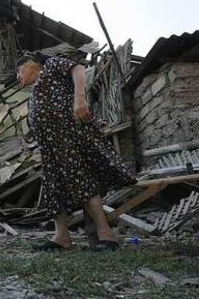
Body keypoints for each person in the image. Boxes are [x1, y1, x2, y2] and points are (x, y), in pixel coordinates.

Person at [16, 49, 136, 251]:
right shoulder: (36, 89)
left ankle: (106, 234)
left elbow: (78, 68)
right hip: (50, 146)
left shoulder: (51, 65)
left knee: (81, 180)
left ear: (31, 64)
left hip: (67, 137)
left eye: (19, 71)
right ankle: (61, 237)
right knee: (54, 188)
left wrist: (79, 98)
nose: (18, 77)